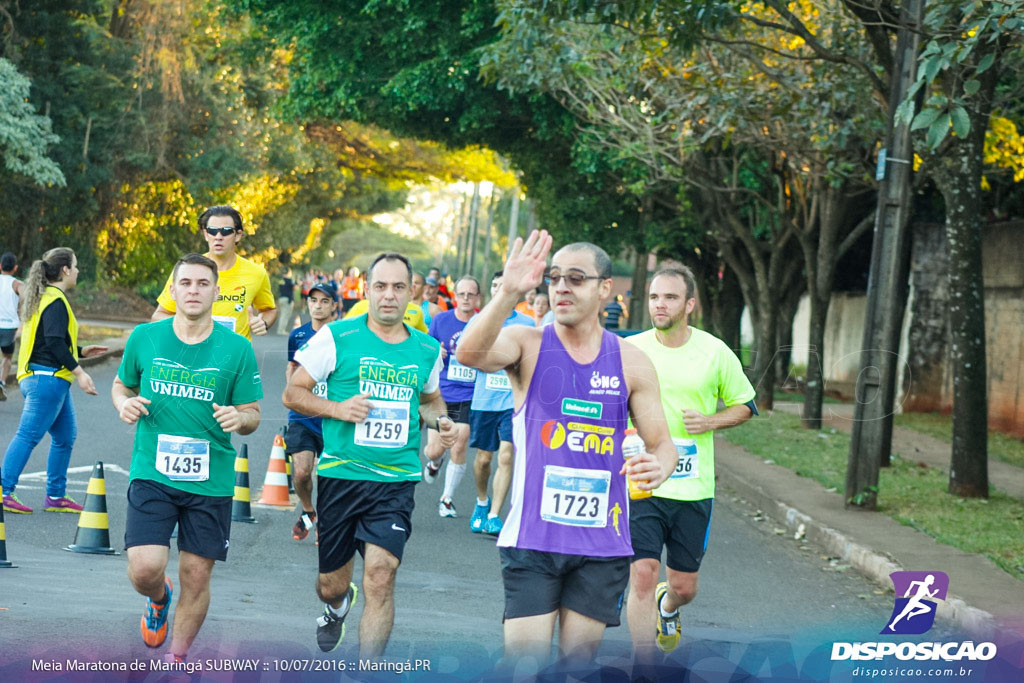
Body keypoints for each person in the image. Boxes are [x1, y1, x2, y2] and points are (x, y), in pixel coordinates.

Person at [457, 232, 676, 666]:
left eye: (576, 279)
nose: (561, 287)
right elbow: (469, 353)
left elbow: (662, 444)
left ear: (604, 289)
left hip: (601, 545)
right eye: (555, 278)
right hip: (533, 540)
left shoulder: (631, 361)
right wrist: (508, 293)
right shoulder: (528, 343)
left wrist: (660, 467)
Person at [282, 251, 457, 657]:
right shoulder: (337, 337)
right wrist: (338, 410)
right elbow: (293, 391)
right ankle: (337, 606)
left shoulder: (426, 349)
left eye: (398, 287)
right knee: (332, 584)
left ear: (412, 293)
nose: (389, 296)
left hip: (394, 480)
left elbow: (430, 401)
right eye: (380, 286)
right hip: (343, 474)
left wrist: (441, 421)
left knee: (381, 575)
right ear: (367, 290)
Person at [113, 253, 263, 664]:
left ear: (217, 291)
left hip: (210, 478)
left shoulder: (238, 349)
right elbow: (121, 385)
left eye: (202, 283)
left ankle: (176, 661)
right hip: (152, 470)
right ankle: (159, 598)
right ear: (173, 290)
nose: (194, 290)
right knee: (145, 568)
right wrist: (122, 404)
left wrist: (241, 417)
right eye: (186, 283)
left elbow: (253, 414)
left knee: (197, 575)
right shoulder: (146, 337)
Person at [625, 266, 756, 660]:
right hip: (643, 481)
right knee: (643, 575)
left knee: (684, 587)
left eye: (669, 297)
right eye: (653, 297)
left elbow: (745, 406)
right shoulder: (631, 349)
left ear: (690, 305)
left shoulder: (714, 351)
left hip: (693, 487)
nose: (659, 305)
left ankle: (669, 609)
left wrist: (710, 421)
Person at [1, 248, 107, 514]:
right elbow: (54, 343)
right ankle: (4, 490)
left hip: (44, 377)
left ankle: (56, 496)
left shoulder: (45, 296)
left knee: (64, 436)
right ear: (65, 270)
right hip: (46, 380)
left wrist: (81, 351)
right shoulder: (55, 300)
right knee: (27, 436)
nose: (79, 271)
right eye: (76, 265)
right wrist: (80, 372)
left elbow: (47, 341)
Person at [467, 270, 534, 535]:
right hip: (485, 400)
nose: (498, 289)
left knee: (506, 455)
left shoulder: (527, 324)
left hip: (512, 400)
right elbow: (466, 355)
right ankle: (482, 502)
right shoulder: (479, 321)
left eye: (502, 285)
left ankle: (495, 515)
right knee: (484, 460)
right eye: (494, 285)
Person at [152, 205, 277, 339]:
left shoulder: (256, 273)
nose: (218, 236)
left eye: (226, 231)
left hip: (236, 356)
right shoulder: (187, 269)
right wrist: (191, 326)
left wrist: (262, 322)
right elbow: (158, 316)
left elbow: (269, 310)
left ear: (238, 235)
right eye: (212, 231)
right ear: (206, 234)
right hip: (195, 353)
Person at [422, 276, 481, 518]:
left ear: (477, 298)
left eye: (471, 294)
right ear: (454, 297)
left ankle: (446, 499)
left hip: (470, 393)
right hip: (441, 393)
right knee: (433, 450)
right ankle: (436, 463)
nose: (466, 298)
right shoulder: (441, 320)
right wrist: (437, 351)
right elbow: (426, 348)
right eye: (462, 294)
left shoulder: (483, 322)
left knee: (460, 440)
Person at [285, 283, 338, 542]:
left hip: (331, 417)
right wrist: (292, 394)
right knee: (302, 472)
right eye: (313, 300)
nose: (318, 305)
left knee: (328, 477)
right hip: (303, 416)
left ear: (334, 306)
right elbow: (292, 368)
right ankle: (308, 512)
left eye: (324, 301)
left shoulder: (341, 337)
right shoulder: (297, 336)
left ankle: (326, 521)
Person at [0, 251, 24, 400]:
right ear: (15, 268)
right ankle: (1, 382)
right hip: (10, 327)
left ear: (0, 266)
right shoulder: (17, 284)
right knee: (7, 357)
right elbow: (26, 298)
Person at [343, 296, 428, 333]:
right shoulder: (361, 306)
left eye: (398, 287)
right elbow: (341, 331)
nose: (389, 294)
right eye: (381, 286)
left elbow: (425, 338)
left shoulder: (415, 310)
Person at [275, 266, 295, 336]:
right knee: (285, 315)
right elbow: (294, 288)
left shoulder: (281, 280)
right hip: (287, 299)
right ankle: (281, 330)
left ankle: (280, 329)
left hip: (281, 298)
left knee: (283, 314)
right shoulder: (289, 280)